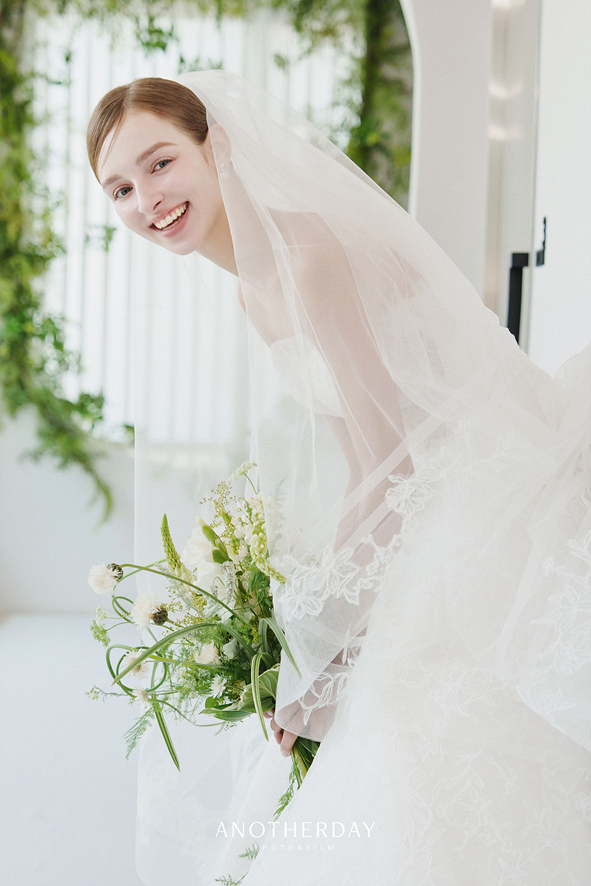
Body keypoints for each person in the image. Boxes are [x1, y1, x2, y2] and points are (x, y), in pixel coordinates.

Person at [87, 71, 591, 885]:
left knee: (410, 715)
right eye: (119, 188)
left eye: (160, 163)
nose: (146, 199)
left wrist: (325, 645)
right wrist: (315, 626)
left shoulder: (309, 256)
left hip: (480, 491)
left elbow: (396, 459)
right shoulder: (254, 291)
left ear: (215, 146)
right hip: (424, 494)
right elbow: (362, 460)